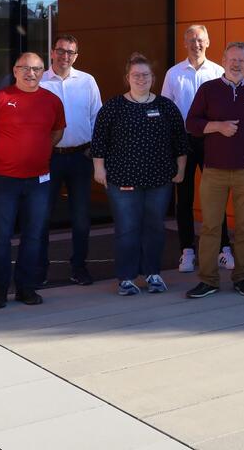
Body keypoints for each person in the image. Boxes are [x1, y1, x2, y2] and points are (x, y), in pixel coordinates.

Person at [91, 54, 188, 296]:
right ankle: (126, 277)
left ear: (153, 78)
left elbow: (180, 142)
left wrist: (181, 169)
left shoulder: (166, 107)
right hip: (122, 180)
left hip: (159, 180)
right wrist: (98, 168)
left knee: (154, 227)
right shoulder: (113, 107)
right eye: (136, 75)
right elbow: (99, 141)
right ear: (127, 78)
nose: (141, 78)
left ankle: (153, 274)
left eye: (145, 74)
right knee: (127, 228)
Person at [184, 42, 244, 298]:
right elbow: (191, 123)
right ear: (223, 60)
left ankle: (242, 277)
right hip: (215, 171)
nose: (237, 64)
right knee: (211, 227)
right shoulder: (209, 89)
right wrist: (217, 126)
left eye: (242, 60)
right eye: (232, 59)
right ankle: (208, 280)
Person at [0, 52, 66, 308]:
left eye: (37, 69)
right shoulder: (0, 98)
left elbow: (58, 131)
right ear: (15, 71)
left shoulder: (51, 100)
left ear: (43, 71)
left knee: (34, 235)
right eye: (25, 68)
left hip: (39, 180)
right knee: (1, 237)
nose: (31, 73)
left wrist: (41, 151)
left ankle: (26, 288)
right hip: (6, 180)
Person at [161, 24, 227, 274]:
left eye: (200, 40)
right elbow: (167, 111)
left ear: (208, 42)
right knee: (185, 198)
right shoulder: (174, 74)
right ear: (184, 43)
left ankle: (224, 249)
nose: (195, 44)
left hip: (212, 141)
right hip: (184, 142)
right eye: (190, 40)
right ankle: (187, 250)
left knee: (216, 196)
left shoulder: (218, 71)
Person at [39, 33, 103, 286]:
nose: (65, 56)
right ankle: (39, 269)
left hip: (80, 157)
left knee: (81, 217)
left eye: (71, 52)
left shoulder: (87, 81)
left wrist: (95, 152)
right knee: (41, 216)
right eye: (61, 51)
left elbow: (97, 117)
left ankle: (79, 267)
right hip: (49, 159)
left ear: (76, 56)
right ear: (52, 52)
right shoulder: (40, 80)